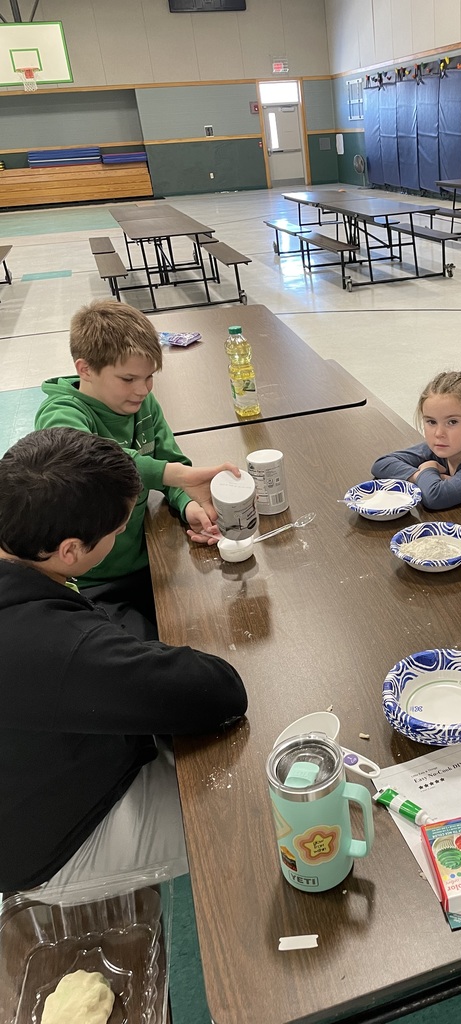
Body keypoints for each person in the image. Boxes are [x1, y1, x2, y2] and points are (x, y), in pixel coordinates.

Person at [0, 428, 247, 901]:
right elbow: (218, 690)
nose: (120, 536)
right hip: (53, 850)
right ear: (70, 550)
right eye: (117, 532)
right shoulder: (58, 647)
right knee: (247, 792)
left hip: (41, 772)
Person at [34, 299, 237, 637]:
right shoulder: (60, 412)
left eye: (148, 378)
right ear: (85, 369)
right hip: (92, 580)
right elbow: (94, 462)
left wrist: (187, 505)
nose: (141, 390)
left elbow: (171, 464)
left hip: (149, 564)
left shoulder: (143, 403)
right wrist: (173, 475)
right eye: (128, 378)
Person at [371, 370, 461, 510]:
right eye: (431, 422)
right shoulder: (441, 447)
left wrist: (429, 468)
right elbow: (381, 464)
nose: (439, 433)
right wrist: (419, 475)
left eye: (452, 422)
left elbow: (435, 497)